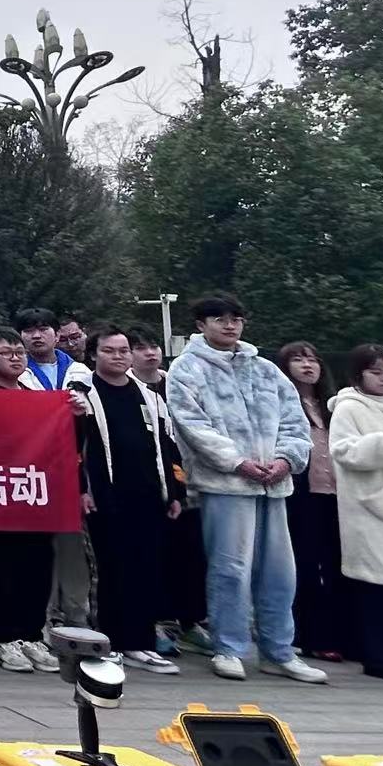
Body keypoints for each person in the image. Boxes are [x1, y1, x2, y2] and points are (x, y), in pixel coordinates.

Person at [166, 293, 324, 683]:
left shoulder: (266, 368)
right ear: (201, 324)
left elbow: (294, 422)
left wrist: (286, 460)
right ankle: (229, 647)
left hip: (274, 483)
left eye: (236, 318)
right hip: (226, 484)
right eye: (219, 318)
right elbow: (192, 426)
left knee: (281, 572)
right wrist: (238, 462)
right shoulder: (186, 368)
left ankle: (278, 651)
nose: (229, 325)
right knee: (230, 569)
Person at [80, 327, 184, 674]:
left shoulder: (150, 396)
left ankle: (141, 642)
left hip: (150, 496)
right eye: (109, 351)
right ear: (93, 355)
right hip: (106, 498)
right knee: (111, 571)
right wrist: (82, 489)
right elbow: (73, 448)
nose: (119, 356)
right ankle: (110, 641)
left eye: (124, 350)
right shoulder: (83, 395)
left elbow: (169, 447)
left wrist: (175, 491)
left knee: (147, 569)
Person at [0, 328, 60, 673]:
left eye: (19, 352)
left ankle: (32, 635)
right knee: (4, 567)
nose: (15, 357)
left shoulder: (37, 396)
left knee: (39, 565)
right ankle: (5, 637)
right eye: (6, 352)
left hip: (35, 494)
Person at [132, 327, 214, 657]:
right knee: (154, 558)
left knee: (192, 557)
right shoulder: (125, 389)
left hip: (192, 482)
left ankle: (192, 622)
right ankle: (157, 622)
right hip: (149, 486)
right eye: (140, 347)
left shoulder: (177, 383)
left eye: (153, 346)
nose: (150, 353)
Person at [13, 308, 95, 636]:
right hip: (33, 471)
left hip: (75, 470)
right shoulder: (17, 374)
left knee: (73, 548)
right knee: (38, 550)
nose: (36, 335)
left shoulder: (79, 371)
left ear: (56, 334)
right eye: (29, 330)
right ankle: (42, 619)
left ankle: (77, 616)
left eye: (43, 328)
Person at [327, 346, 383, 682]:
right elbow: (344, 452)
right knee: (378, 588)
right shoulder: (348, 407)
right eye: (376, 372)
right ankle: (378, 657)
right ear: (358, 374)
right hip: (371, 508)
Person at [277, 342, 345, 662]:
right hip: (302, 494)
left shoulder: (333, 406)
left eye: (313, 359)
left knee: (336, 565)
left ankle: (341, 634)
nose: (308, 365)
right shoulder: (282, 403)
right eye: (298, 359)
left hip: (338, 494)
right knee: (305, 565)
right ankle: (310, 635)